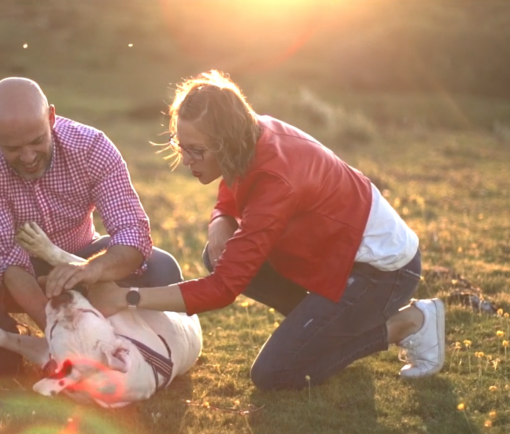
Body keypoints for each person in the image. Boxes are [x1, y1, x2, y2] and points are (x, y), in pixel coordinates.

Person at [85, 71, 445, 390]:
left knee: (275, 373)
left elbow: (224, 290)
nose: (186, 160)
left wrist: (126, 297)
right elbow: (235, 181)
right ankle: (324, 330)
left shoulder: (277, 181)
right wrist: (219, 220)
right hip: (335, 260)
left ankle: (408, 323)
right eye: (180, 145)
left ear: (226, 143)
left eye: (195, 150)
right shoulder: (251, 131)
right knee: (215, 253)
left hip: (383, 272)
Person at [0, 77, 184, 376]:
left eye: (37, 140)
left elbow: (132, 231)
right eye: (12, 148)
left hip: (81, 260)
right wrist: (60, 336)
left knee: (162, 268)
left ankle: (137, 341)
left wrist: (91, 269)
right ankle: (3, 339)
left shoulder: (91, 145)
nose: (27, 157)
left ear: (51, 117)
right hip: (11, 276)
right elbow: (7, 258)